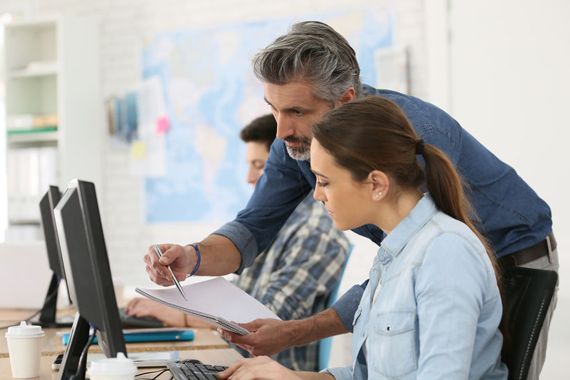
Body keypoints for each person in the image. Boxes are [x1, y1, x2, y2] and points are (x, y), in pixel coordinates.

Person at [145, 21, 557, 378]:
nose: (281, 131)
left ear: (344, 100)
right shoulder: (300, 146)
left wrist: (295, 336)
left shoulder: (411, 148)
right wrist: (192, 257)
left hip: (513, 254)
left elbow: (424, 269)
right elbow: (253, 228)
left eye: (297, 112)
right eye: (273, 110)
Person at [218, 95, 508, 379]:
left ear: (376, 184)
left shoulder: (446, 252)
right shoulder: (394, 254)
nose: (318, 195)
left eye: (325, 182)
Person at [128, 114, 350, 371]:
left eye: (259, 165)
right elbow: (241, 294)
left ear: (287, 169)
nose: (249, 177)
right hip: (237, 363)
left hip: (270, 369)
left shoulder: (314, 235)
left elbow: (263, 319)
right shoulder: (271, 228)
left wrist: (177, 315)